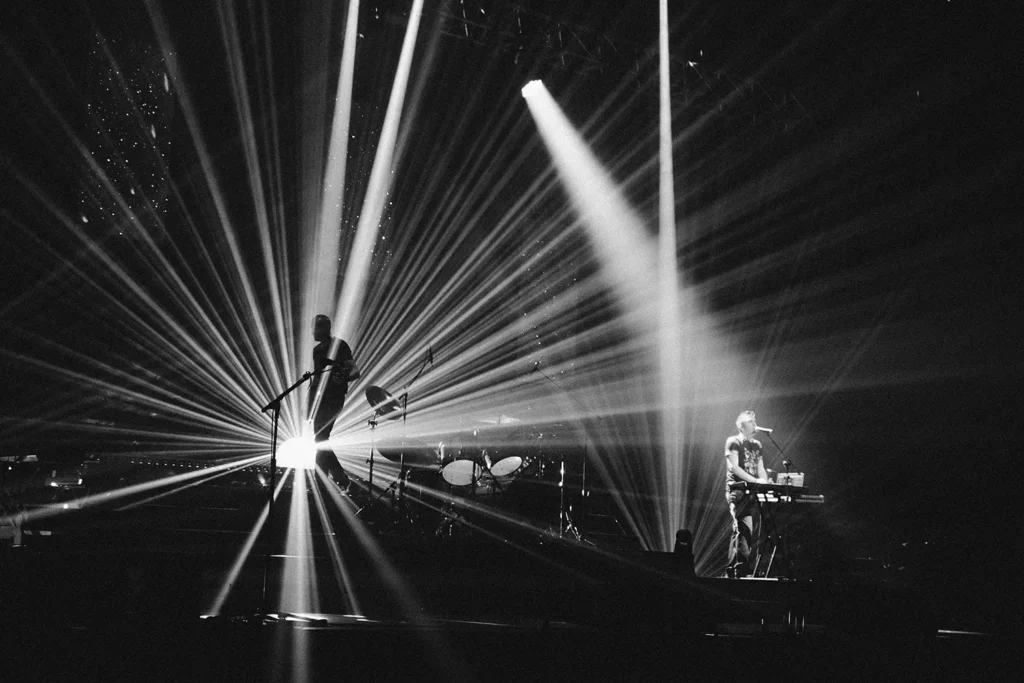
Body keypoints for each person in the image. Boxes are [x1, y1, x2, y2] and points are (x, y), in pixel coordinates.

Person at [308, 314, 360, 491]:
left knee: (321, 438)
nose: (313, 332)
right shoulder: (316, 351)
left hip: (334, 397)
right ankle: (324, 480)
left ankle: (334, 479)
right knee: (319, 439)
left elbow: (355, 371)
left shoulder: (339, 345)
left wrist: (341, 378)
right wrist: (310, 403)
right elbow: (316, 378)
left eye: (315, 327)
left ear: (324, 328)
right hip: (320, 398)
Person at [724, 410, 769, 578]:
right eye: (750, 421)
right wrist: (755, 481)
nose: (754, 424)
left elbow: (761, 469)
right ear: (741, 426)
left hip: (752, 492)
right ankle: (740, 570)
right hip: (737, 491)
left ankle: (734, 569)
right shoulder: (733, 442)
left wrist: (764, 480)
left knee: (747, 531)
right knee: (743, 529)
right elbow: (734, 467)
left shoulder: (757, 445)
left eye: (754, 421)